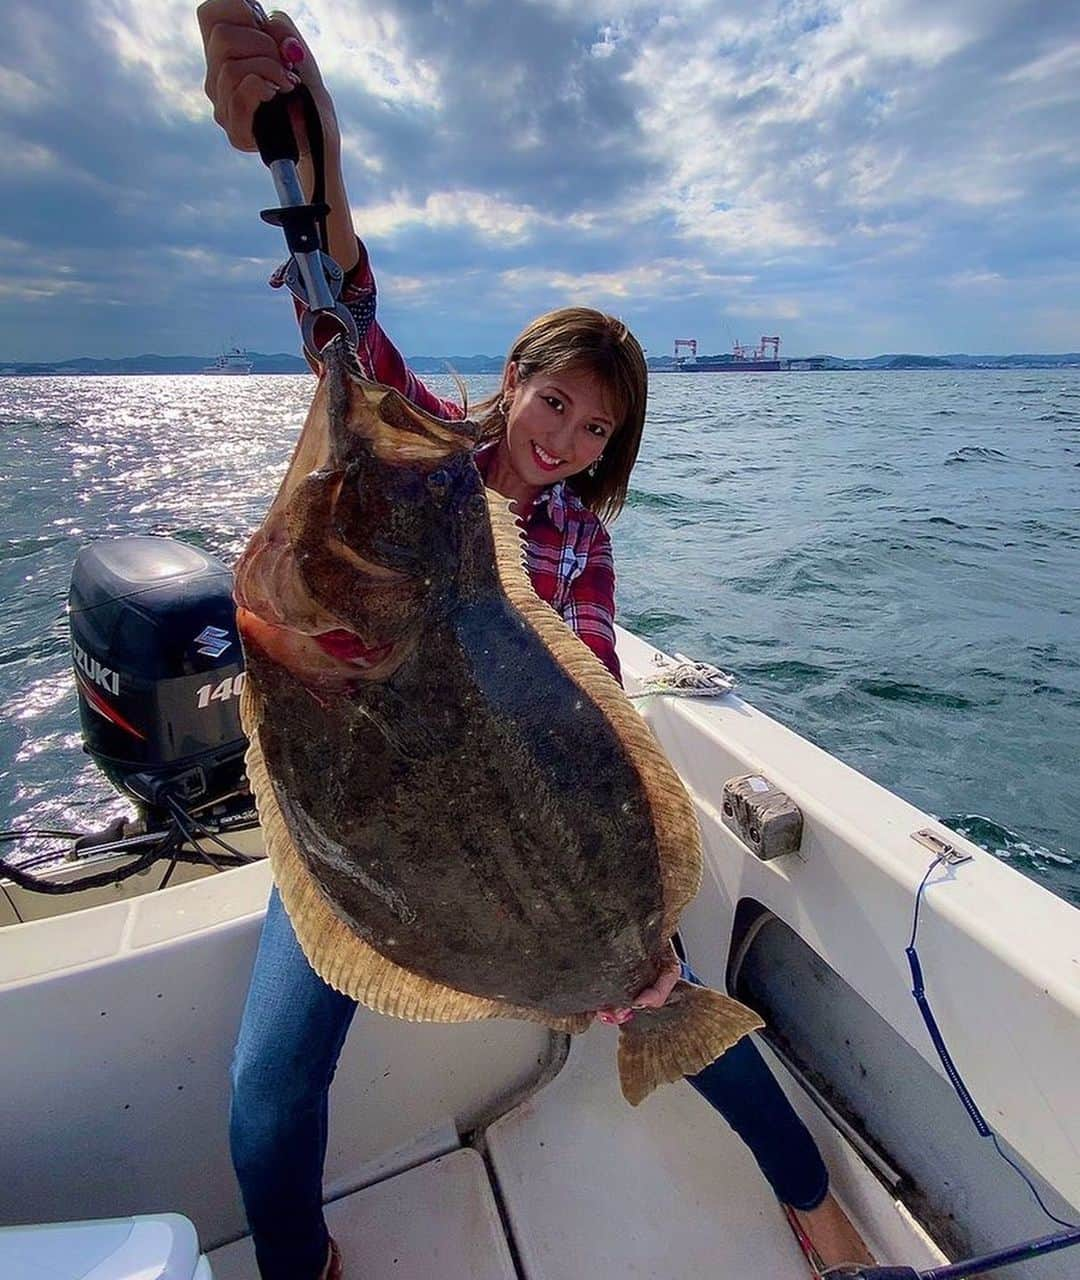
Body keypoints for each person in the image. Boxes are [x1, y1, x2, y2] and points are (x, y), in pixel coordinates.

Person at [198, 5, 875, 1277]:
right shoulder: (415, 460)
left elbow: (594, 711)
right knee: (265, 1100)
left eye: (593, 431)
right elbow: (340, 310)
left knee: (668, 992)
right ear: (512, 378)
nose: (561, 437)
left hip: (502, 836)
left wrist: (625, 938)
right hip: (368, 838)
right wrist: (311, 146)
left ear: (609, 456)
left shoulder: (583, 546)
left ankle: (816, 1212)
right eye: (553, 399)